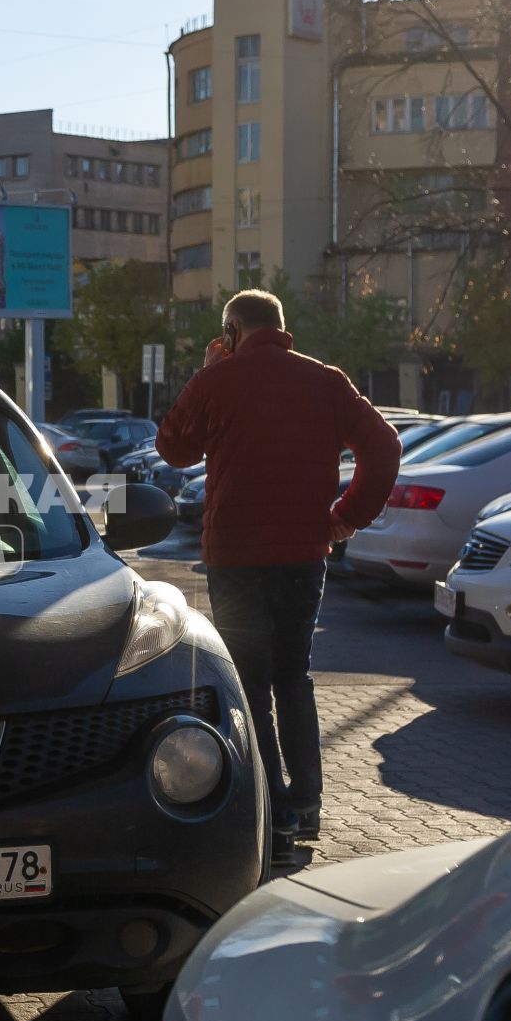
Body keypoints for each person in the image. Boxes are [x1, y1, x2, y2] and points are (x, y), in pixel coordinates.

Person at [154, 289, 399, 858]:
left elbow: (173, 450)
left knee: (250, 685)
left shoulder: (219, 381)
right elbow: (384, 446)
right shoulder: (326, 381)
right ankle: (306, 803)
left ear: (234, 330)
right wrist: (344, 520)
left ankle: (272, 812)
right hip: (302, 555)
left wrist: (208, 373)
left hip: (237, 557)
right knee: (294, 677)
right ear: (281, 327)